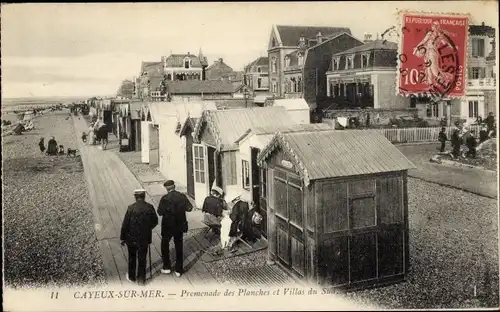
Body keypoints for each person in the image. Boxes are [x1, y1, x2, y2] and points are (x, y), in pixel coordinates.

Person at [120, 189, 158, 285]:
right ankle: (141, 280)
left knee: (132, 258)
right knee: (142, 258)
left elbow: (125, 224)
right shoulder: (149, 207)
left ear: (135, 197)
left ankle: (132, 277)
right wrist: (147, 228)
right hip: (144, 238)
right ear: (144, 196)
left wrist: (122, 237)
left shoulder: (131, 208)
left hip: (131, 238)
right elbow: (155, 221)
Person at [157, 180, 193, 277]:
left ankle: (166, 267)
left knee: (164, 245)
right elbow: (190, 208)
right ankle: (179, 270)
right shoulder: (182, 196)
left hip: (167, 226)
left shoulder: (164, 198)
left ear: (166, 189)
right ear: (174, 187)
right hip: (179, 225)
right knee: (179, 245)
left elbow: (159, 212)